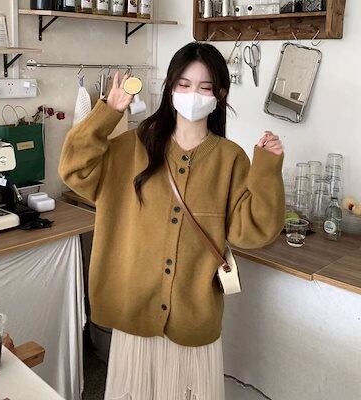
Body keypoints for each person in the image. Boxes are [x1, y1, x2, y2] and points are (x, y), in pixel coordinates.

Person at [58, 42, 285, 400]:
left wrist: (268, 169)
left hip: (193, 318)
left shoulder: (231, 159)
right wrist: (108, 113)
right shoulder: (131, 147)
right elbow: (74, 170)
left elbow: (252, 231)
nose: (193, 94)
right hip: (135, 310)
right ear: (170, 89)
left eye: (205, 87)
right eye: (184, 84)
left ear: (220, 95)